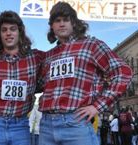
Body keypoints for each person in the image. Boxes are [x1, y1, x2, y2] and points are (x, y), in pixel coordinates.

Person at [38, 1, 133, 145]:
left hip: (75, 124)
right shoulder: (48, 56)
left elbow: (123, 72)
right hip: (46, 125)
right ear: (52, 26)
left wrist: (97, 106)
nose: (62, 24)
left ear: (74, 23)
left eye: (66, 19)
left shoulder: (91, 45)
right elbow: (39, 85)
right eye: (57, 21)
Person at [0, 10, 44, 145]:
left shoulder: (36, 58)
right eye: (4, 30)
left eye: (12, 29)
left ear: (20, 32)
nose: (8, 33)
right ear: (0, 35)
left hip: (20, 125)